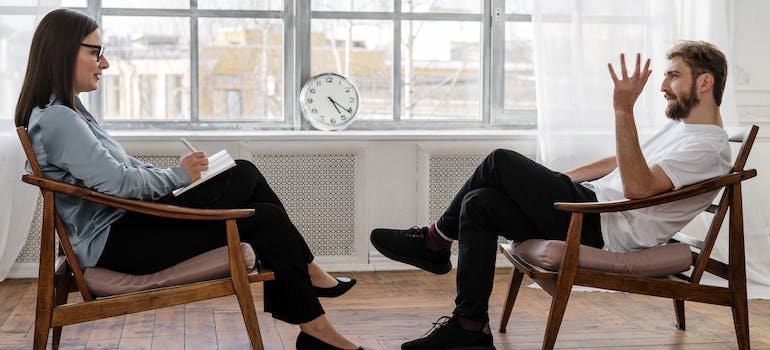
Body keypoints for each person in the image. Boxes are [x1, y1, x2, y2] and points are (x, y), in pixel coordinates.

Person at [15, 9, 368, 350]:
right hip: (118, 244)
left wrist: (178, 177)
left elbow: (123, 169)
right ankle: (312, 297)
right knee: (257, 200)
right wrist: (178, 176)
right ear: (63, 52)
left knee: (248, 182)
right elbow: (119, 183)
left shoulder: (70, 113)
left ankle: (315, 321)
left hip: (126, 227)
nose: (104, 63)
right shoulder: (60, 119)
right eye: (96, 53)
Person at [371, 40, 732, 350]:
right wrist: (555, 181)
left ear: (705, 82)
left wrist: (623, 109)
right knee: (479, 202)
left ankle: (434, 241)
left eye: (673, 75)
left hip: (601, 227)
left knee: (500, 160)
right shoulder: (682, 130)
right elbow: (621, 161)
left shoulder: (707, 147)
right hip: (590, 207)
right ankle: (470, 326)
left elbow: (638, 188)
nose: (664, 86)